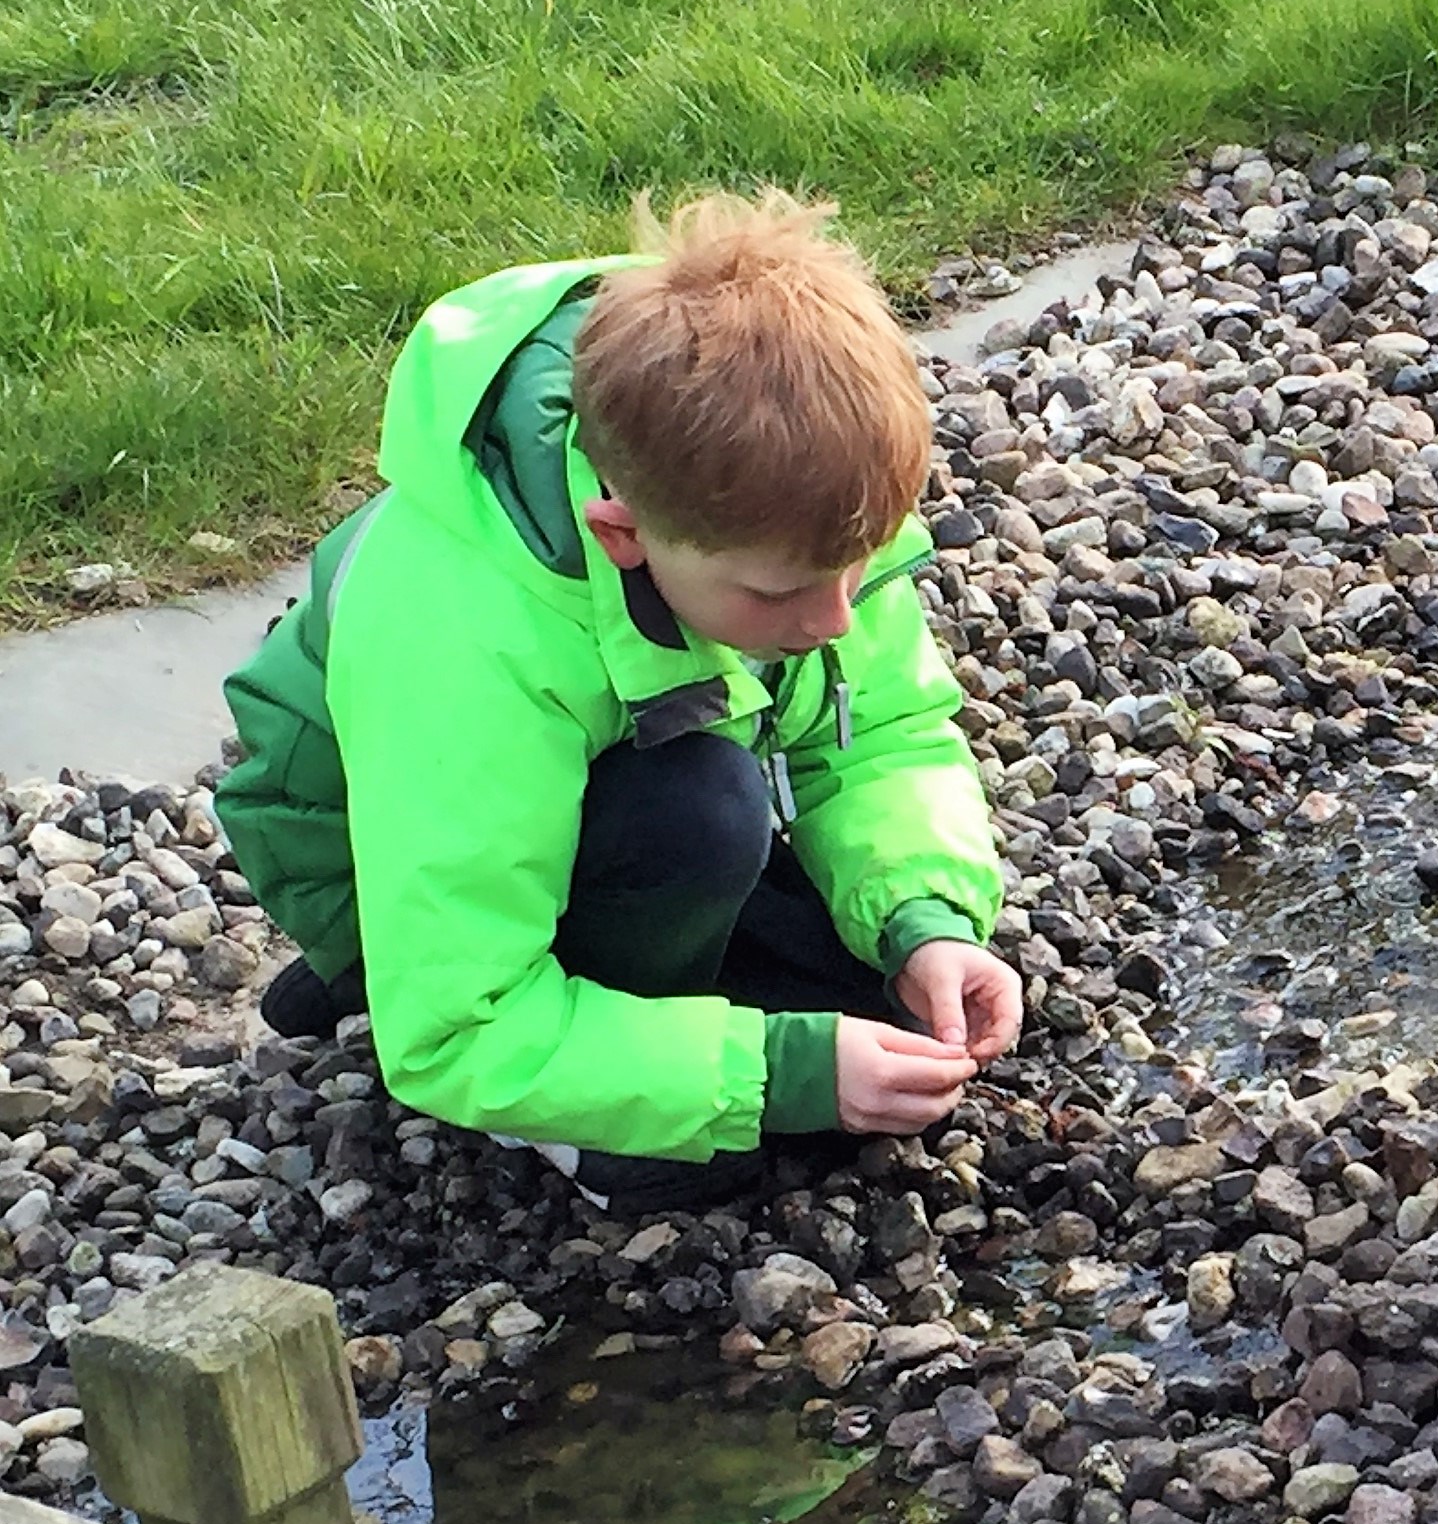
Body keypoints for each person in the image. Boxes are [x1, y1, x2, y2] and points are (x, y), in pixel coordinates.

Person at [218, 190, 1019, 1215]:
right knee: (709, 865)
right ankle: (407, 993)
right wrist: (773, 1073)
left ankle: (621, 975)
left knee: (878, 1010)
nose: (832, 619)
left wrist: (926, 920)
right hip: (383, 849)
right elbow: (462, 1030)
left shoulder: (795, 518)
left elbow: (882, 738)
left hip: (618, 765)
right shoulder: (469, 637)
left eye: (856, 572)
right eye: (779, 595)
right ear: (621, 533)